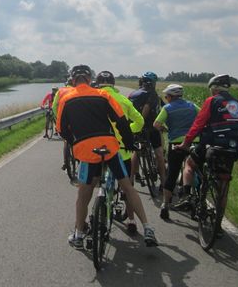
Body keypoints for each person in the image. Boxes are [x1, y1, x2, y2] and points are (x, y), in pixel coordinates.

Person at [57, 65, 158, 249]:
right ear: (89, 80)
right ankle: (147, 226)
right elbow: (121, 121)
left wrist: (75, 143)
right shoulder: (103, 95)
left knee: (83, 193)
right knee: (127, 187)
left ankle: (79, 234)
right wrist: (128, 143)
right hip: (109, 147)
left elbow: (61, 130)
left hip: (86, 151)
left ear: (73, 80)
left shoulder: (66, 99)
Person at [175, 74, 238, 229]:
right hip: (234, 149)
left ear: (214, 88)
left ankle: (186, 197)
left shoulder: (212, 101)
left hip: (212, 146)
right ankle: (218, 226)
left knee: (189, 164)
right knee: (223, 187)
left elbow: (198, 124)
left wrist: (185, 143)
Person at [96, 70, 144, 235]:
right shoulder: (123, 100)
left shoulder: (93, 98)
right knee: (127, 187)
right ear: (113, 84)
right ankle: (131, 221)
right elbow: (140, 121)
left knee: (95, 183)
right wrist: (129, 133)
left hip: (98, 150)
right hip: (122, 150)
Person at [152, 84, 199, 220]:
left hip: (177, 143)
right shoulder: (192, 106)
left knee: (172, 173)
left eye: (166, 96)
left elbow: (156, 124)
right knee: (195, 169)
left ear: (171, 97)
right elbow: (202, 116)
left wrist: (166, 128)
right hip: (194, 142)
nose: (166, 99)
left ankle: (165, 204)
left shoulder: (167, 108)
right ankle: (193, 197)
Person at [129, 71, 166, 192]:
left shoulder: (133, 94)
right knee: (159, 154)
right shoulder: (152, 94)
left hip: (135, 128)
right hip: (151, 128)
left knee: (136, 152)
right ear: (153, 83)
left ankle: (131, 180)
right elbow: (148, 109)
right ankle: (164, 182)